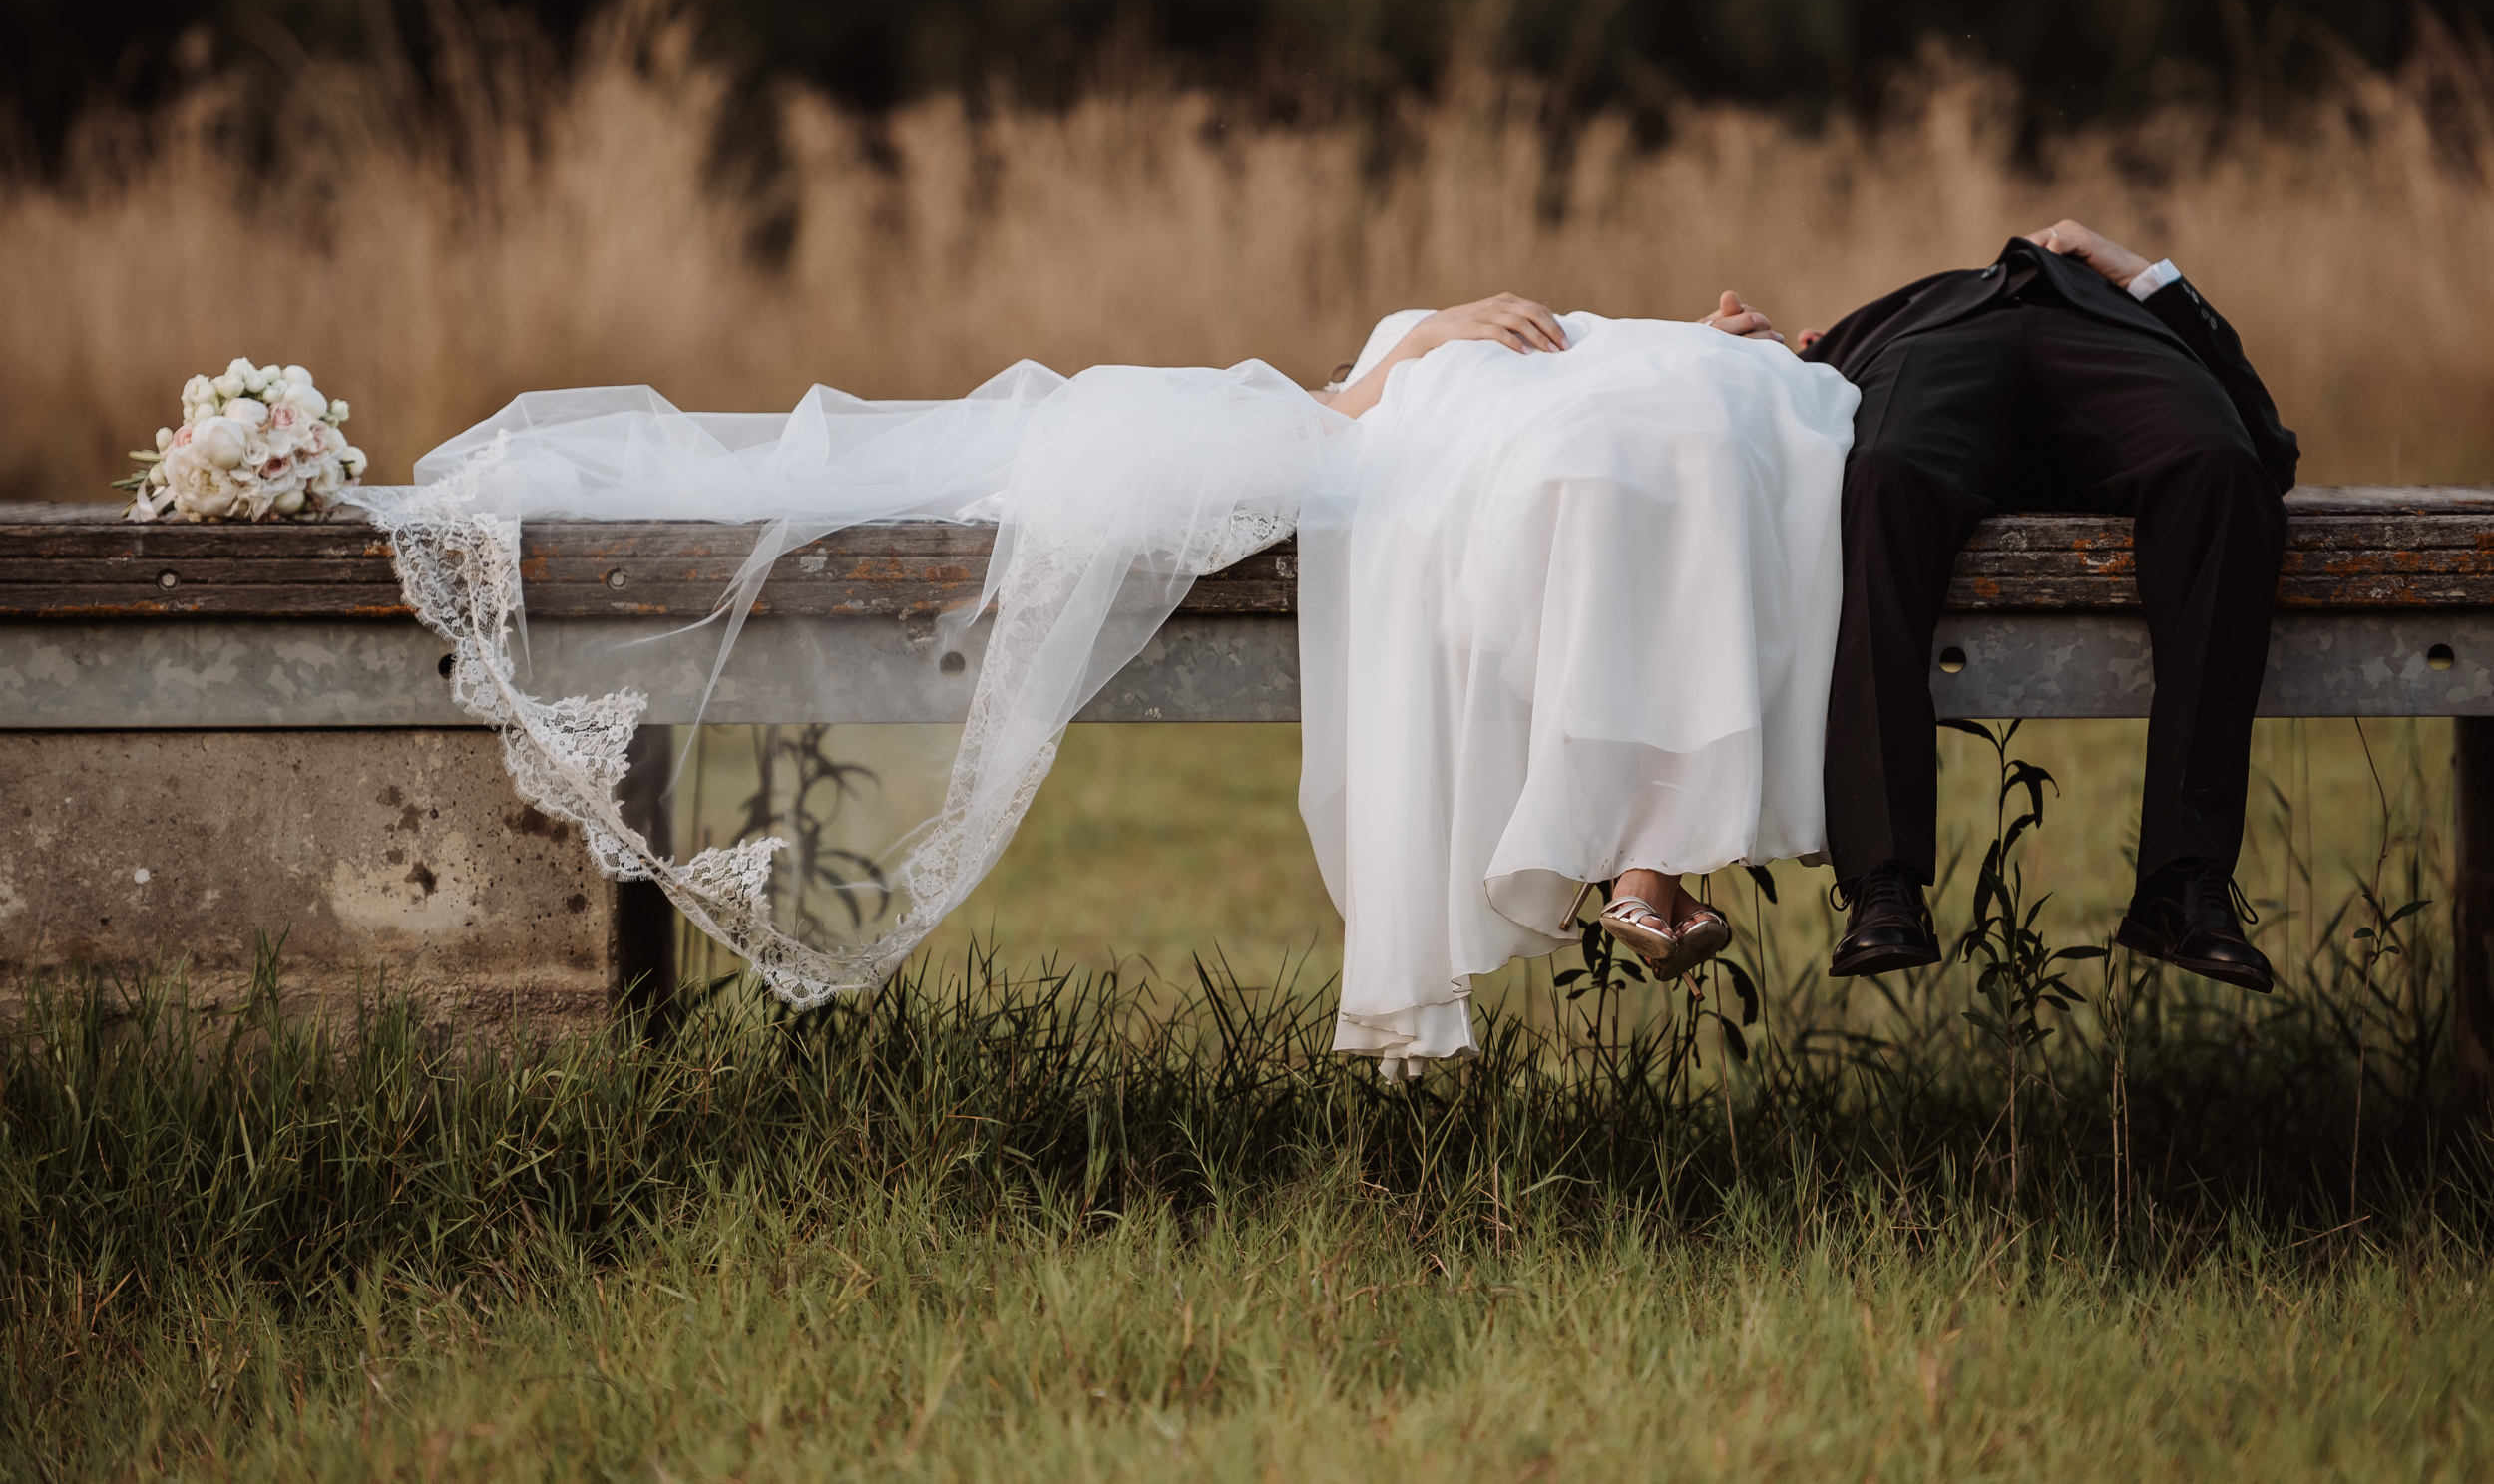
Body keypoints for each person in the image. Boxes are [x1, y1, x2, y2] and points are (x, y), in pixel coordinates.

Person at [358, 292, 1855, 1073]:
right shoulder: (1441, 365)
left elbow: (1357, 420)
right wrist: (1429, 352)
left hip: (1450, 426)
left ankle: (1634, 852)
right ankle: (1635, 852)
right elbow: (1336, 415)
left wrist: (1454, 358)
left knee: (1059, 453)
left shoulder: (1605, 376)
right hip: (1400, 415)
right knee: (1001, 462)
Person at [1298, 293, 1853, 1070]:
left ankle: (1646, 868)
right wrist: (1424, 338)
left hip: (1576, 395)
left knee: (1667, 435)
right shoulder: (1405, 358)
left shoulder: (1499, 355)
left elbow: (1590, 359)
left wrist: (1666, 341)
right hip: (1510, 426)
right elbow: (1317, 423)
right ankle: (1650, 867)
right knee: (1637, 459)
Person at [1746, 220, 2296, 992]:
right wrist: (1787, 363)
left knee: (2225, 471)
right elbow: (1777, 437)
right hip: (1933, 346)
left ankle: (2185, 879)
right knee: (1880, 477)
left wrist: (2146, 278)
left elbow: (2267, 444)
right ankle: (1882, 879)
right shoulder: (1873, 331)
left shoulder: (2132, 306)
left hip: (2111, 340)